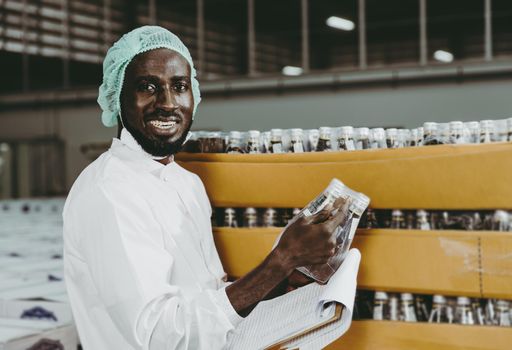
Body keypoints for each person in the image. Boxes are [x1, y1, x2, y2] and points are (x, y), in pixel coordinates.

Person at [63, 26, 349, 349]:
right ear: (118, 96)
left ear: (194, 96)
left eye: (179, 86)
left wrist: (282, 279)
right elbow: (159, 335)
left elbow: (211, 298)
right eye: (147, 86)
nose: (167, 103)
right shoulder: (108, 193)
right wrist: (279, 262)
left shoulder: (188, 184)